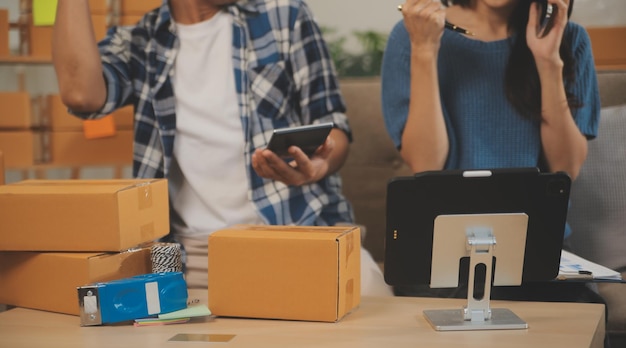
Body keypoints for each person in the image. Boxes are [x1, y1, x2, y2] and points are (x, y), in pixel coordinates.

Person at [52, 0, 392, 296]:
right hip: (195, 254)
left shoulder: (285, 15)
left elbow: (334, 125)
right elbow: (82, 94)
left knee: (374, 308)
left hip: (299, 232)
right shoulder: (141, 42)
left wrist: (319, 164)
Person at [382, 0, 602, 298]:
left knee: (581, 313)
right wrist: (424, 49)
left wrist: (548, 60)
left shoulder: (570, 37)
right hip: (441, 251)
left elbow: (566, 168)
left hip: (537, 246)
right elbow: (425, 164)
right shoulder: (410, 35)